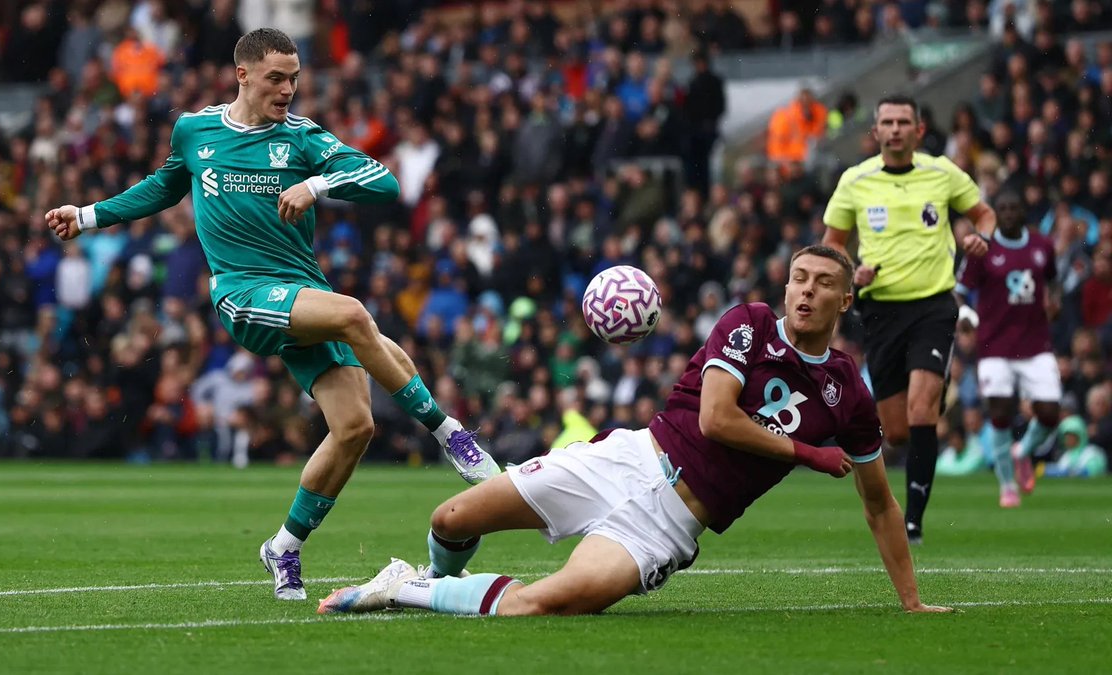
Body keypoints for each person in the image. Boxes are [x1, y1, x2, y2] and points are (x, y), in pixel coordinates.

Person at [44, 28, 500, 601]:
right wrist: (86, 216)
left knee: (355, 427)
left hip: (302, 292)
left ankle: (284, 546)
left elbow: (382, 183)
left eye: (295, 78)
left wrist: (317, 183)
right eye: (276, 78)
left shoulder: (303, 138)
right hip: (242, 293)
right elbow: (162, 188)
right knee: (357, 316)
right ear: (243, 75)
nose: (288, 89)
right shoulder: (196, 130)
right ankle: (451, 435)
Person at [317, 246, 951, 617]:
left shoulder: (849, 394)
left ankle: (407, 590)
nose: (806, 291)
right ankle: (431, 571)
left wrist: (912, 602)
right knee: (452, 518)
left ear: (847, 302)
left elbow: (879, 502)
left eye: (824, 285)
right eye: (799, 279)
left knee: (543, 605)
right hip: (630, 459)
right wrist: (806, 452)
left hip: (669, 525)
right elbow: (716, 419)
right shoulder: (749, 322)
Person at [822, 94, 996, 545]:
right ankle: (930, 392)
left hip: (933, 306)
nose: (895, 129)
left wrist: (984, 238)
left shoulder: (942, 172)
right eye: (887, 122)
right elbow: (833, 242)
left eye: (904, 122)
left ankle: (913, 521)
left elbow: (984, 214)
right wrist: (850, 272)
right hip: (879, 310)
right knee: (897, 432)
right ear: (875, 131)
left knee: (921, 412)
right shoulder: (855, 180)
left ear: (918, 131)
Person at [955, 190, 1061, 508]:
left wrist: (1052, 301)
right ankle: (1006, 486)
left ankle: (1023, 450)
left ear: (1024, 211)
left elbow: (1052, 280)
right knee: (999, 413)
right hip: (994, 344)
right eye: (1003, 208)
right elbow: (960, 292)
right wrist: (966, 315)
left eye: (1014, 207)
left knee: (1049, 412)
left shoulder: (1042, 245)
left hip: (1036, 343)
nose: (1009, 213)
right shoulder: (981, 248)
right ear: (995, 213)